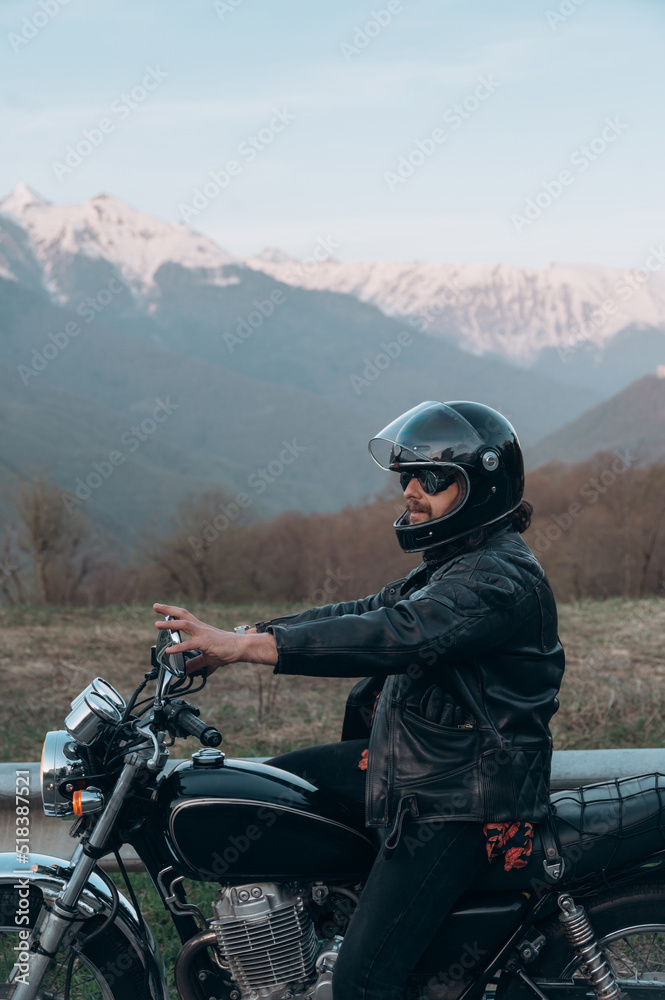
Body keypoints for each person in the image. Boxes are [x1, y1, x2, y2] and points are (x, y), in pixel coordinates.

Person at [154, 399, 565, 1000]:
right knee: (270, 791)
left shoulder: (497, 579)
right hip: (420, 765)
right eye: (407, 477)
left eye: (433, 479)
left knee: (362, 984)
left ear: (482, 485)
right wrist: (239, 639)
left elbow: (395, 635)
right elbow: (367, 612)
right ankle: (311, 926)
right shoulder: (457, 561)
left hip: (460, 800)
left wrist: (251, 650)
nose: (411, 492)